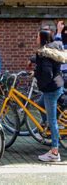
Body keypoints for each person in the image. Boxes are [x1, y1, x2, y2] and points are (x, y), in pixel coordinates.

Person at [34, 29, 66, 162]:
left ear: (42, 39)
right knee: (39, 104)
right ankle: (49, 125)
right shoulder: (54, 49)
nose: (35, 38)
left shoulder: (44, 54)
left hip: (51, 89)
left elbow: (47, 73)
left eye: (37, 36)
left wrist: (38, 77)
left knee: (52, 120)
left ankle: (54, 151)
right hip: (58, 84)